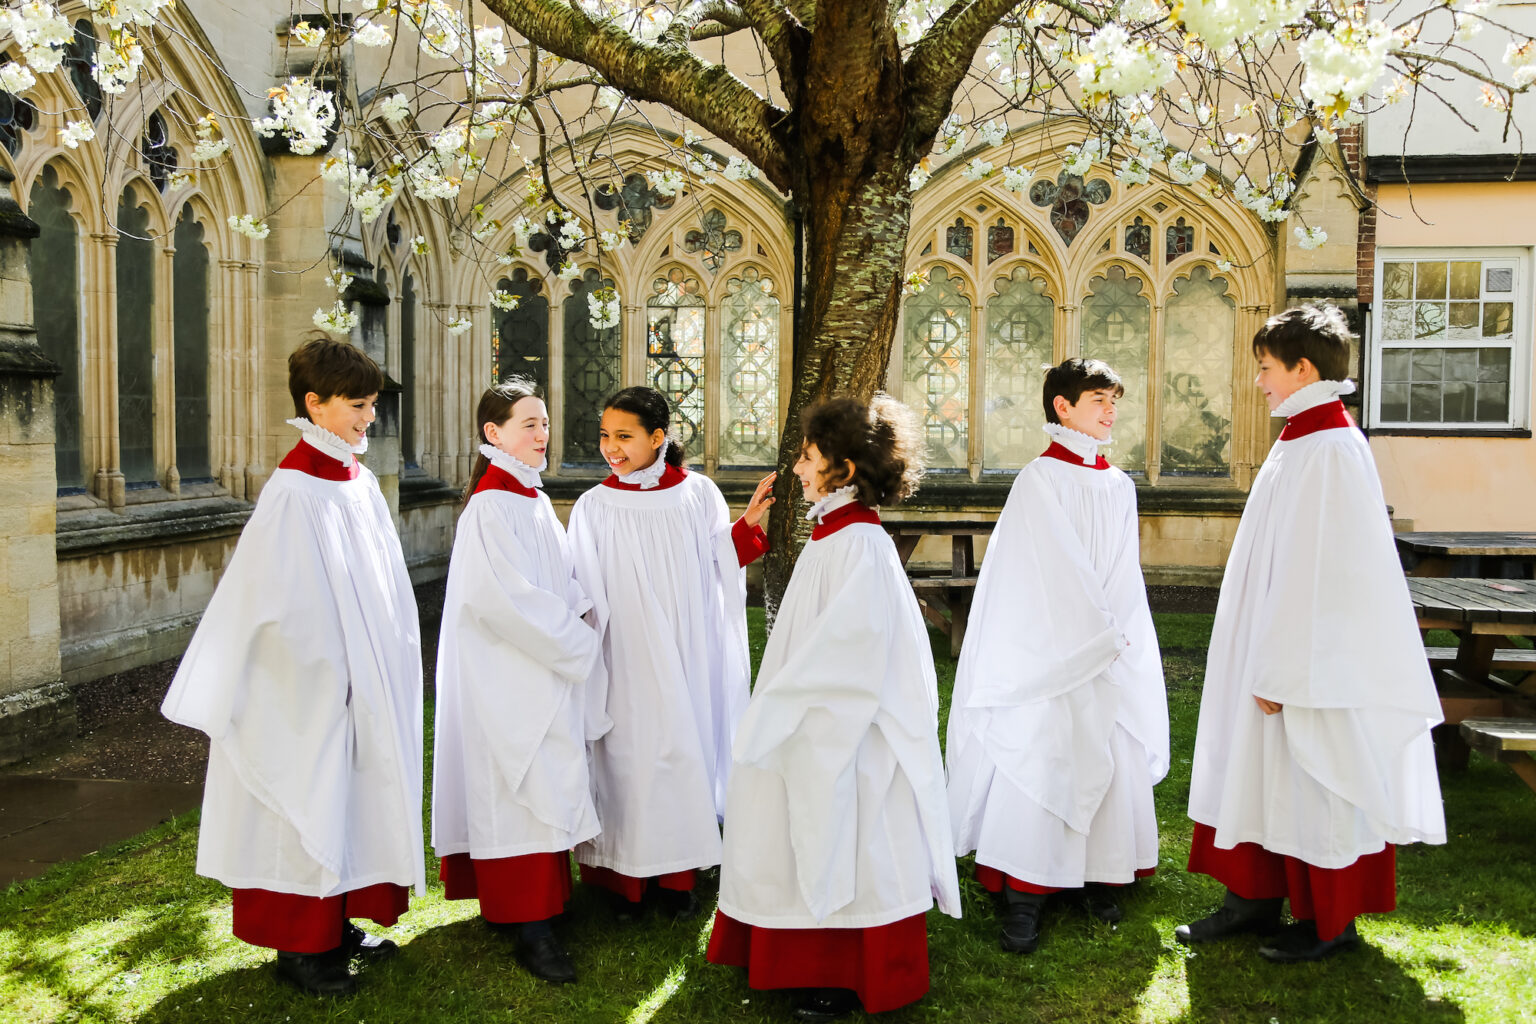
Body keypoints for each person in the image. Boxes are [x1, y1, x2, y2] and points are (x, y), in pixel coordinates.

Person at [1178, 305, 1446, 962]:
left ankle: (1330, 923)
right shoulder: (1301, 436)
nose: (1260, 382)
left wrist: (1281, 673)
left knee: (1315, 779)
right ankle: (1252, 898)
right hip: (1266, 643)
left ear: (1303, 369)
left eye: (1267, 369)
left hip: (1303, 662)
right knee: (1257, 772)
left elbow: (1321, 576)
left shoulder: (1330, 448)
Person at [161, 337, 424, 996]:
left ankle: (336, 924)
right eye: (358, 406)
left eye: (371, 405)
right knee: (309, 799)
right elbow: (281, 605)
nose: (370, 419)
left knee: (351, 799)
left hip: (360, 680)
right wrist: (330, 677)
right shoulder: (295, 491)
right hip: (307, 687)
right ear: (315, 403)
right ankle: (300, 946)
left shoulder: (353, 480)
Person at [708, 395, 961, 1021]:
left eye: (808, 456)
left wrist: (784, 708)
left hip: (845, 726)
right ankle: (794, 948)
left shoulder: (858, 547)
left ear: (843, 471)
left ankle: (836, 964)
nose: (796, 468)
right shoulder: (831, 537)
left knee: (844, 823)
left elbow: (852, 651)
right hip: (810, 705)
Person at [947, 358, 1168, 955]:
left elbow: (1124, 570)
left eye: (1114, 400)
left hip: (1107, 643)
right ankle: (1025, 890)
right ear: (1062, 408)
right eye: (1098, 399)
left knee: (1109, 744)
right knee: (1043, 747)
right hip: (1048, 644)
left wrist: (1115, 631)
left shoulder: (1119, 485)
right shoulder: (1039, 481)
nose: (1111, 410)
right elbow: (1045, 567)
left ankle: (1101, 872)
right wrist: (1085, 633)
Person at [566, 387, 775, 919]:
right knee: (628, 758)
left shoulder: (697, 493)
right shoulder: (593, 506)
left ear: (657, 438)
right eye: (605, 436)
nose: (611, 447)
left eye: (624, 436)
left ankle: (679, 877)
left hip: (684, 648)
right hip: (625, 653)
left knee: (682, 749)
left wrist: (743, 529)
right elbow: (582, 585)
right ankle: (623, 882)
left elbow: (714, 562)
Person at [432, 378, 602, 985]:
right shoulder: (490, 505)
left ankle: (544, 907)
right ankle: (528, 924)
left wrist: (582, 604)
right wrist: (577, 638)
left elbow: (555, 577)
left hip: (541, 664)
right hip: (509, 672)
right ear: (493, 433)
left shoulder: (528, 498)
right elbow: (502, 601)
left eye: (545, 422)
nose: (542, 434)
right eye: (528, 424)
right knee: (520, 783)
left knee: (546, 778)